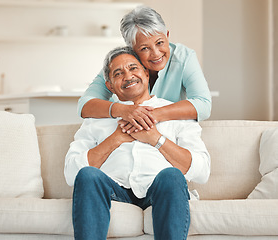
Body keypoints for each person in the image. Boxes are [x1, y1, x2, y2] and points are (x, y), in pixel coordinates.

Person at [65, 46, 210, 240]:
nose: (128, 76)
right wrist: (116, 138)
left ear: (146, 73)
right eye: (118, 73)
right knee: (88, 175)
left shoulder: (175, 113)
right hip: (113, 189)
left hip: (158, 188)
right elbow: (71, 174)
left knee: (172, 176)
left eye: (133, 68)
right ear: (109, 85)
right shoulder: (96, 118)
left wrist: (156, 139)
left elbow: (202, 171)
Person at [78, 6, 211, 134]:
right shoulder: (120, 63)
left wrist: (150, 115)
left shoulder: (184, 57)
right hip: (125, 131)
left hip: (167, 133)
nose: (156, 54)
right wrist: (124, 111)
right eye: (144, 48)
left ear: (167, 36)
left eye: (160, 43)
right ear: (131, 49)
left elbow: (203, 105)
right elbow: (84, 105)